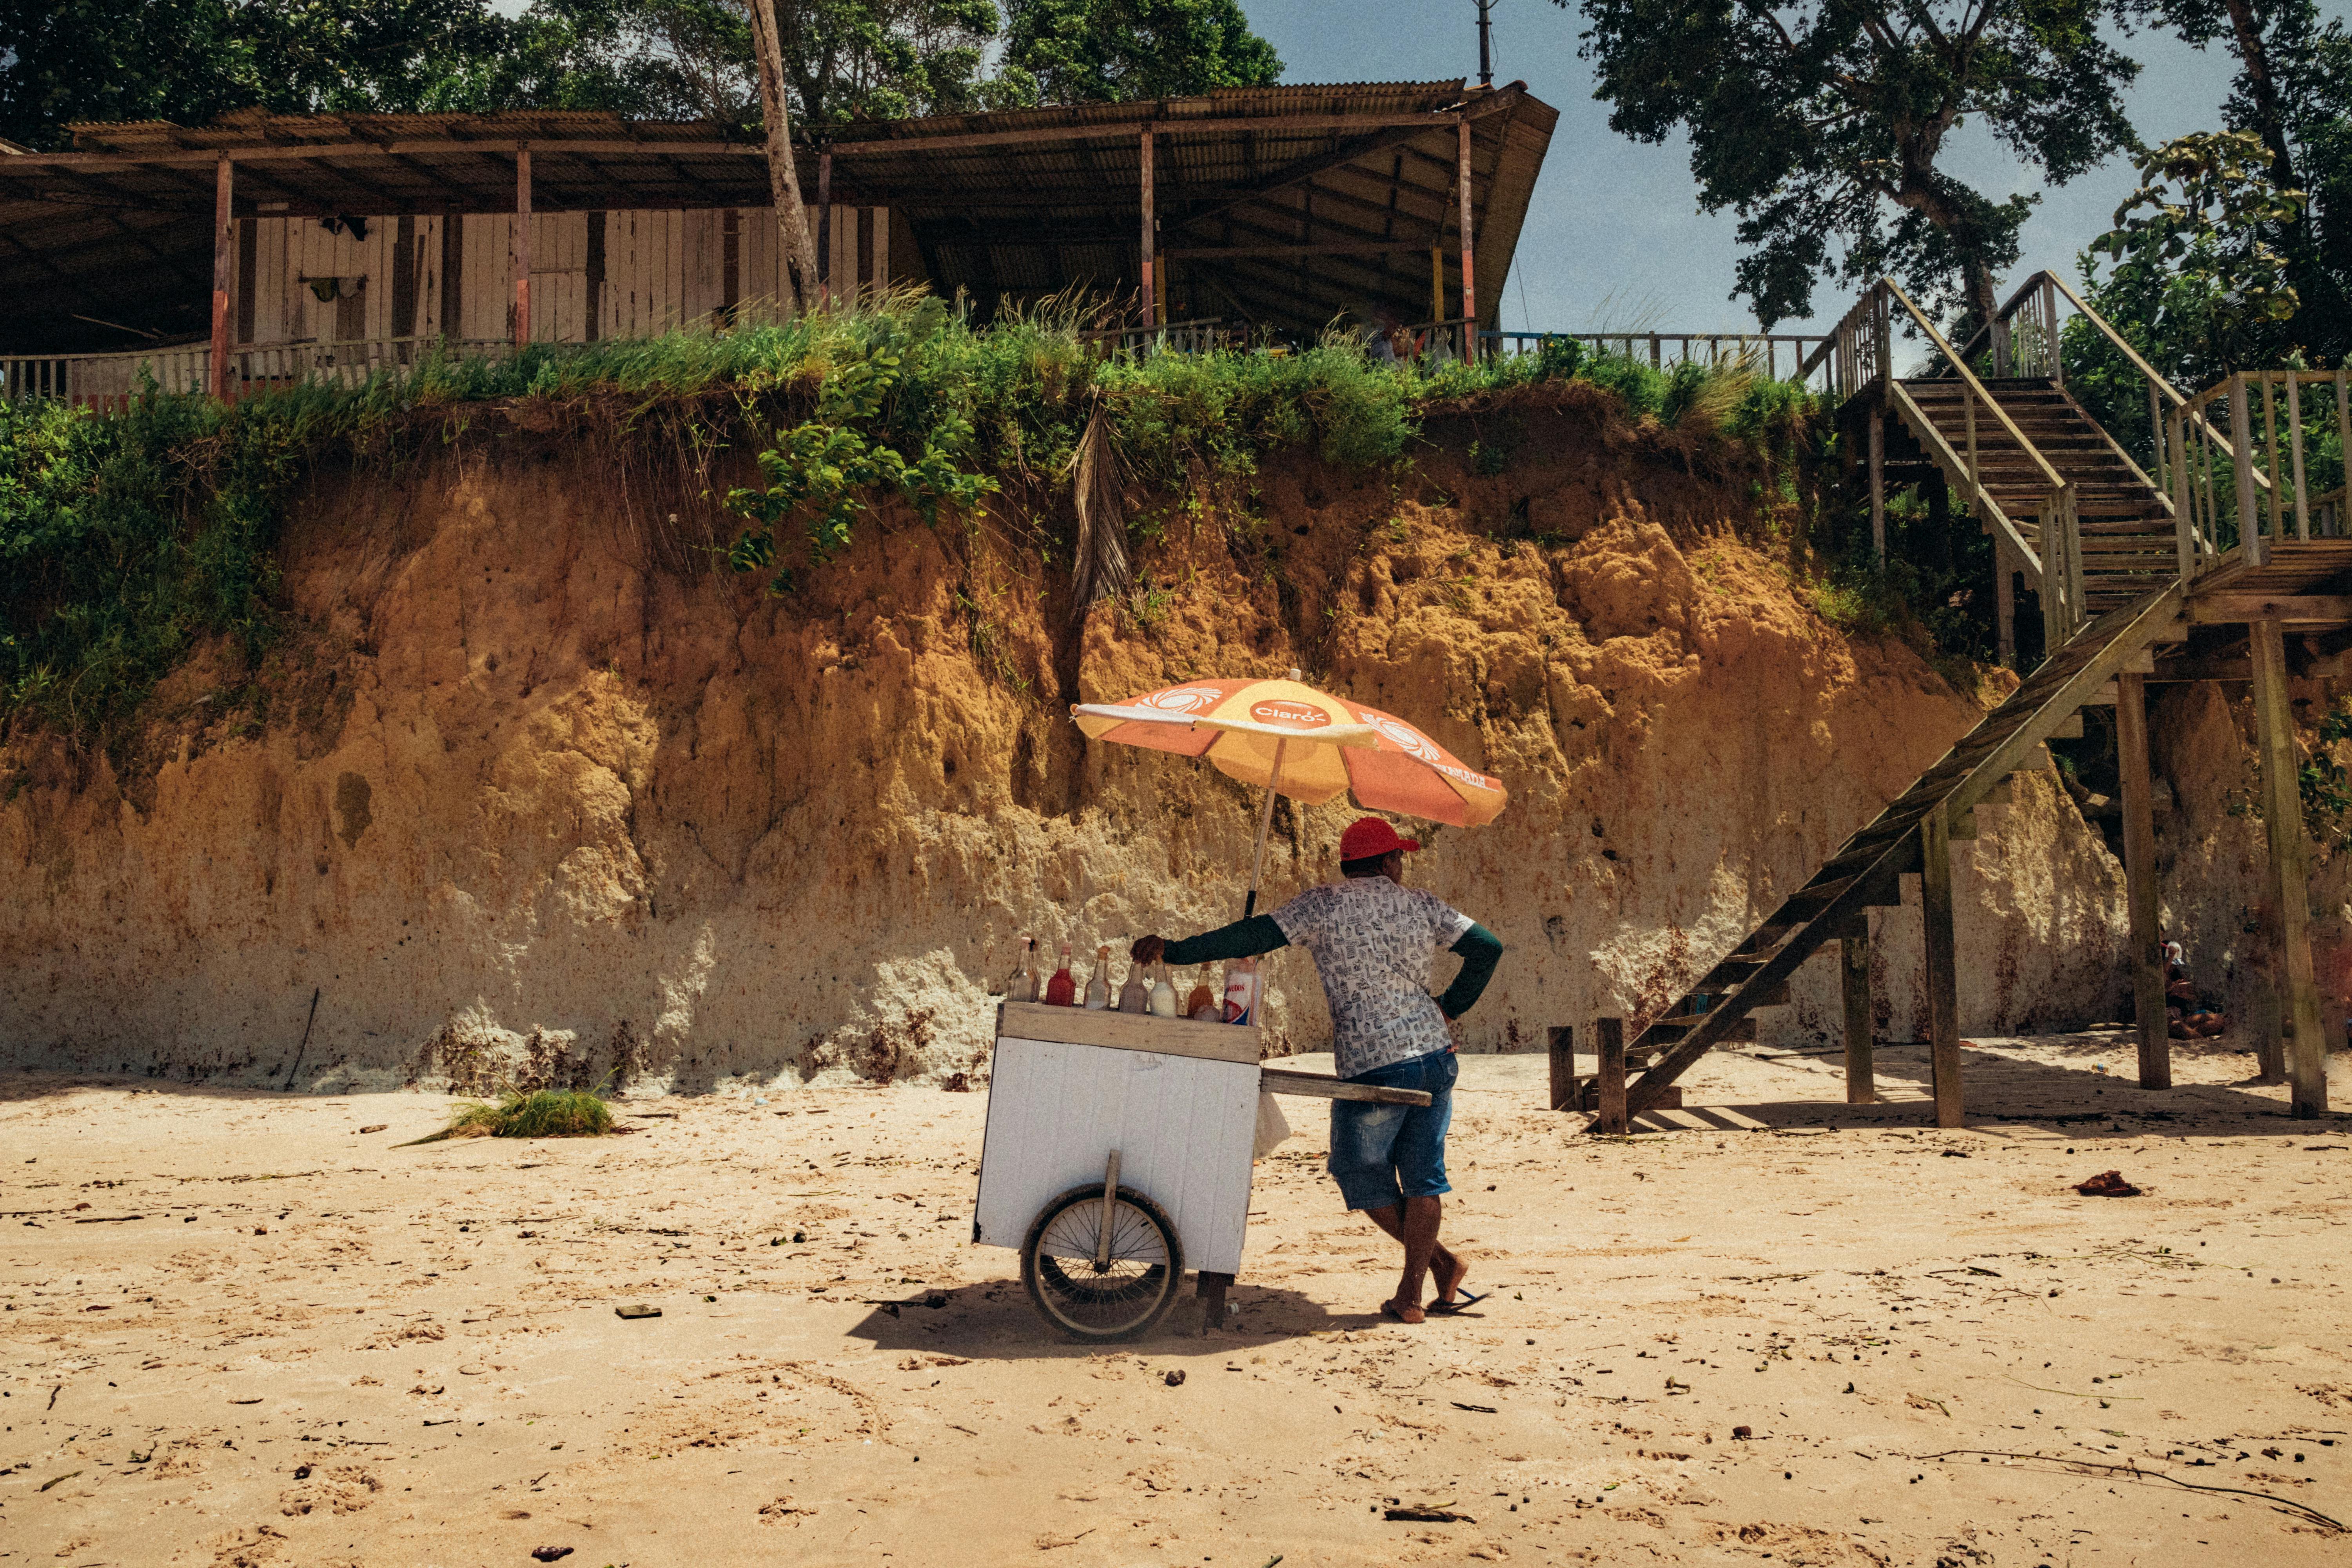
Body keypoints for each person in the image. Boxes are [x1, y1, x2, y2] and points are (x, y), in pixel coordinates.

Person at [1131, 816, 1503, 1324]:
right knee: (1424, 1178)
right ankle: (1418, 1289)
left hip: (1374, 1063)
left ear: (1349, 865)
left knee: (1356, 1169)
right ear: (1389, 861)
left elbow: (1251, 936)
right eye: (1400, 857)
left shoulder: (1322, 904)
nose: (1402, 865)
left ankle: (1434, 1271)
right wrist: (1449, 1006)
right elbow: (1488, 947)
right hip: (1435, 1057)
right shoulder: (1423, 905)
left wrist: (1175, 951)